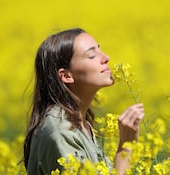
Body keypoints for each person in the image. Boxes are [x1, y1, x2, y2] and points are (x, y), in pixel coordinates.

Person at [23, 28, 144, 175]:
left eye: (100, 50)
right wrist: (126, 146)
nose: (106, 57)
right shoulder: (60, 130)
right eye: (92, 55)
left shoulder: (79, 121)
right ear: (67, 76)